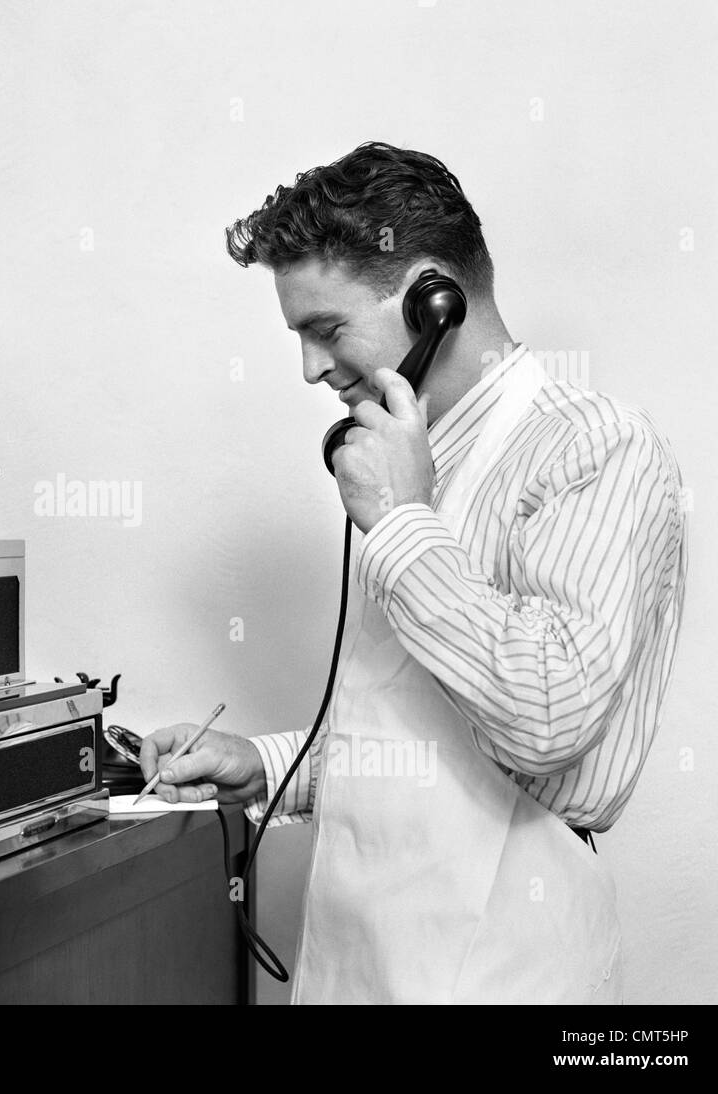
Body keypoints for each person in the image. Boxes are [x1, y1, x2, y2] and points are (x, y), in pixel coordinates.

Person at [139, 142, 688, 1004]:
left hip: (503, 974)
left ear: (435, 297)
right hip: (354, 969)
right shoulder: (412, 458)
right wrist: (265, 763)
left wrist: (400, 522)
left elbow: (545, 719)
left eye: (327, 329)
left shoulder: (594, 446)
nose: (312, 368)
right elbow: (418, 731)